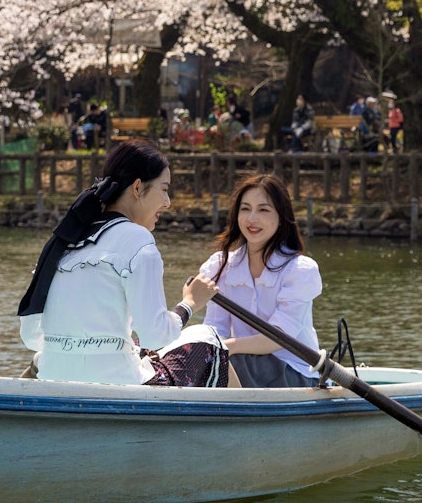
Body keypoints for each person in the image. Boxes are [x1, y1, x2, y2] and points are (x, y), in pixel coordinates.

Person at [17, 140, 231, 386]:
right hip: (120, 386)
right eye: (164, 189)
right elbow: (156, 335)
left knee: (135, 344)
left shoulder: (67, 239)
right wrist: (190, 303)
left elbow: (31, 337)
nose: (168, 202)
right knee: (210, 339)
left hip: (53, 379)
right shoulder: (138, 240)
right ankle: (244, 420)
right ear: (138, 188)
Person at [198, 175, 322, 388]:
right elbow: (215, 328)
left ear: (281, 216)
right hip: (241, 364)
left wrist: (224, 349)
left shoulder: (300, 270)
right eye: (245, 209)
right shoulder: (219, 266)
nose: (251, 219)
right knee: (208, 362)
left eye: (263, 210)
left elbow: (278, 338)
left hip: (295, 370)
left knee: (222, 362)